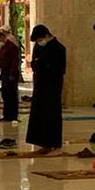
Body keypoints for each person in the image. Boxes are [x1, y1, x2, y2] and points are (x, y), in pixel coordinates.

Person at [25, 24, 66, 154]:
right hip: (40, 84)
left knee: (51, 114)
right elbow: (35, 63)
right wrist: (40, 64)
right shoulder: (39, 47)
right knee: (39, 114)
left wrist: (43, 65)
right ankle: (42, 142)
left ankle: (53, 143)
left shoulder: (59, 48)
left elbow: (59, 69)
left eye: (40, 39)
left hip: (52, 87)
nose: (39, 42)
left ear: (47, 35)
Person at [0, 28, 21, 128]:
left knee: (12, 95)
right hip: (5, 73)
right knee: (5, 94)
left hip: (11, 73)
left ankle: (13, 116)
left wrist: (12, 74)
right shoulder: (3, 46)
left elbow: (15, 60)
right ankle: (7, 115)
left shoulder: (11, 45)